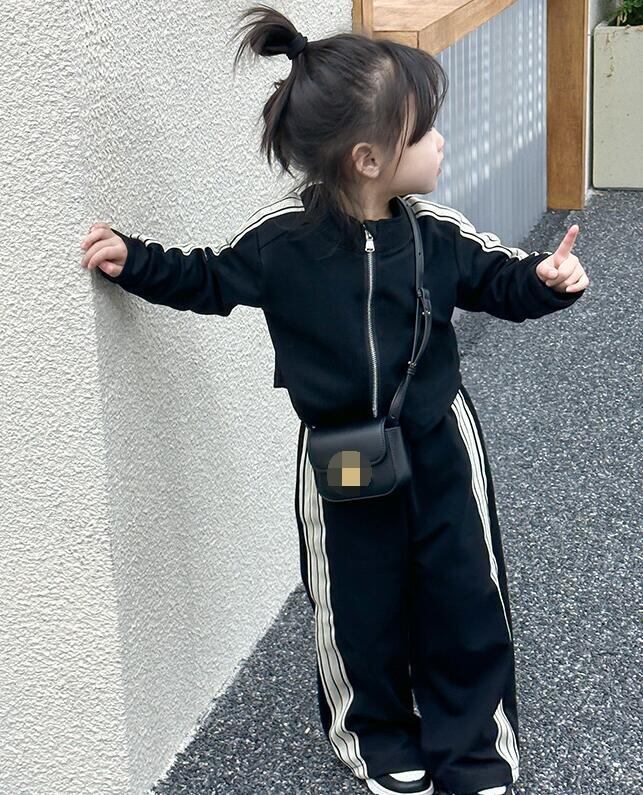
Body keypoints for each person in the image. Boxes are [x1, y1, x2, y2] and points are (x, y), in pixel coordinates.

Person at [78, 5, 589, 795]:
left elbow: (500, 278)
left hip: (440, 442)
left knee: (463, 589)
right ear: (367, 157)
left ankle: (474, 747)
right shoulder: (281, 240)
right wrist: (133, 260)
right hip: (339, 453)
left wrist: (547, 281)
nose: (439, 142)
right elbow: (208, 276)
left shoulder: (435, 231)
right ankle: (376, 737)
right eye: (423, 132)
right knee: (356, 603)